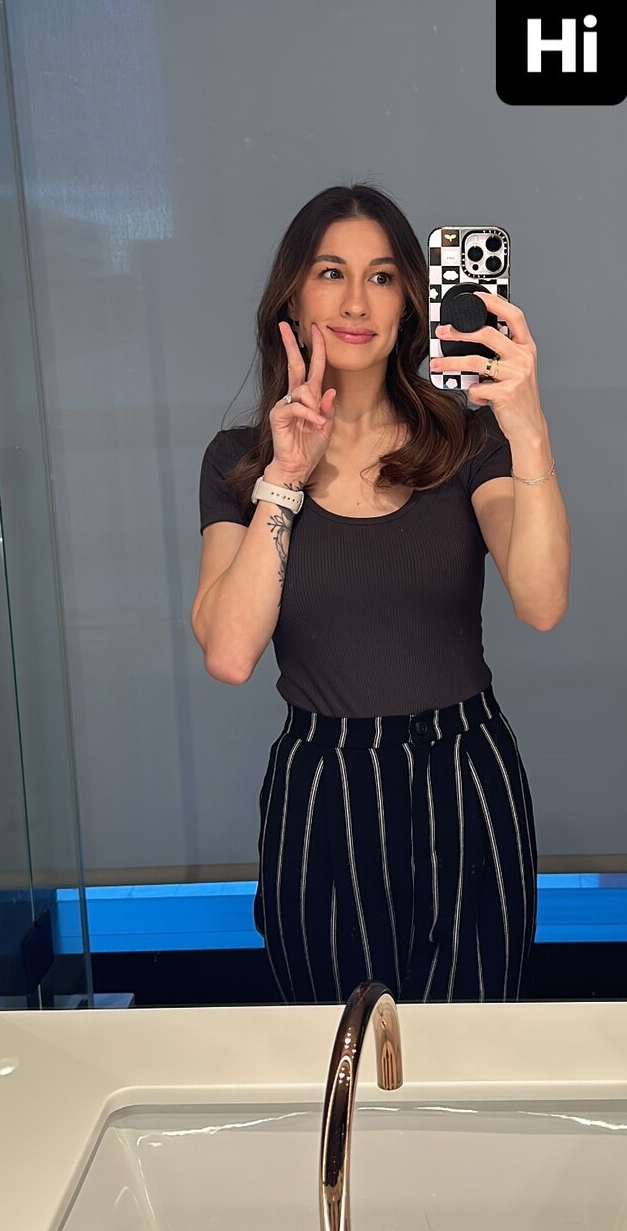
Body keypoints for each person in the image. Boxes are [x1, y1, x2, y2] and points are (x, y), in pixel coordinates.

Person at [191, 183, 570, 1003]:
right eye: (332, 273)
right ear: (293, 296)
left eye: (384, 276)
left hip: (464, 776)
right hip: (321, 786)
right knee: (340, 1048)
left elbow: (541, 602)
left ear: (411, 303)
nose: (357, 301)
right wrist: (286, 478)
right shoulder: (239, 461)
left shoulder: (466, 442)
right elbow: (229, 652)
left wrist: (528, 429)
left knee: (471, 1047)